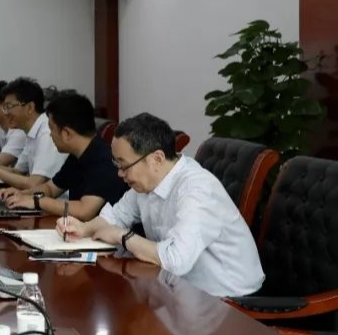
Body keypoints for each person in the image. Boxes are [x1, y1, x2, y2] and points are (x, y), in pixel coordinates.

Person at [56, 113, 265, 297]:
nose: (119, 173)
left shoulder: (197, 189)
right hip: (179, 289)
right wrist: (83, 228)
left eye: (124, 165)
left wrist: (123, 236)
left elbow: (175, 260)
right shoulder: (148, 182)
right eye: (116, 164)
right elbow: (115, 217)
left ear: (156, 159)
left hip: (226, 300)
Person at [0, 92, 128, 220]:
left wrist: (37, 201)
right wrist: (21, 195)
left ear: (66, 133)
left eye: (52, 129)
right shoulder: (77, 155)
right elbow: (50, 188)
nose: (50, 135)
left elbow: (84, 211)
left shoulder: (105, 159)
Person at [0, 77, 68, 190]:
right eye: (4, 107)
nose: (6, 113)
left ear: (30, 108)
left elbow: (34, 184)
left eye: (9, 106)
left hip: (56, 200)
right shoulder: (31, 132)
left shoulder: (47, 133)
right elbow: (17, 172)